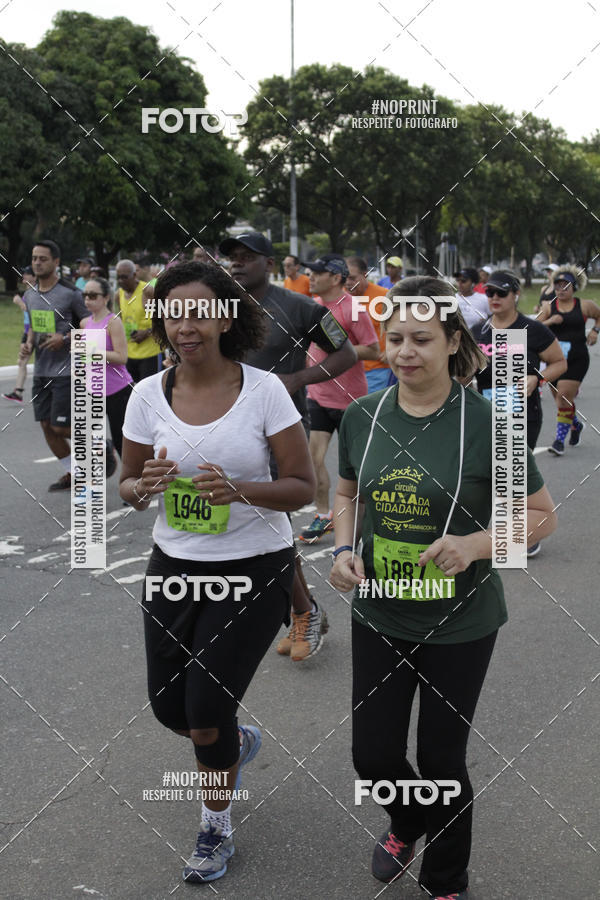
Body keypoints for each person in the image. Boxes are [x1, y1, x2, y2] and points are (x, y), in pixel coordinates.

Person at [329, 276, 558, 899]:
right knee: (372, 758)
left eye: (422, 339)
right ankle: (408, 819)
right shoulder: (362, 417)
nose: (406, 351)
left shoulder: (489, 422)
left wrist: (475, 544)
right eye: (396, 338)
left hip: (461, 621)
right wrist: (345, 547)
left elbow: (541, 516)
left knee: (440, 759)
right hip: (378, 612)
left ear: (453, 340)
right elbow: (347, 493)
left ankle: (446, 880)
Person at [119, 260, 315, 883]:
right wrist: (139, 487)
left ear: (226, 316)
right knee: (169, 709)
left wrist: (241, 489)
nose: (186, 324)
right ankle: (236, 743)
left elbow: (302, 489)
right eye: (173, 312)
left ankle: (215, 827)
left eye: (200, 311)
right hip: (174, 564)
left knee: (204, 710)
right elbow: (124, 483)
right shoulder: (148, 394)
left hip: (254, 569)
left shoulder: (263, 391)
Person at [219, 230, 356, 661]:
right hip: (222, 430)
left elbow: (346, 354)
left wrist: (297, 379)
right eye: (231, 257)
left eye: (247, 256)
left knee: (270, 525)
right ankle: (301, 610)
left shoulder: (299, 307)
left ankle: (304, 612)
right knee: (245, 527)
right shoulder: (216, 305)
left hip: (279, 432)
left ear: (270, 263)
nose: (237, 263)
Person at [470, 270, 567, 556]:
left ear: (516, 295)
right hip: (487, 413)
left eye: (501, 292)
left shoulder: (533, 329)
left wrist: (537, 378)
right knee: (499, 475)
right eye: (490, 293)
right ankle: (515, 529)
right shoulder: (478, 330)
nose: (494, 298)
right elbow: (465, 369)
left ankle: (526, 532)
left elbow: (559, 363)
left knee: (516, 474)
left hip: (524, 413)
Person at [299, 254, 379, 542]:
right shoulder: (312, 307)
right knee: (314, 457)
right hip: (318, 396)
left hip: (351, 400)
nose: (311, 277)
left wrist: (339, 356)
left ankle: (364, 517)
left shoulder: (353, 309)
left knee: (357, 465)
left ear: (335, 278)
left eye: (317, 273)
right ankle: (323, 515)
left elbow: (373, 349)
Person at [18, 240, 106, 492]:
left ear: (56, 262)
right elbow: (34, 326)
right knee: (46, 426)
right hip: (42, 369)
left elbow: (94, 329)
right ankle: (74, 472)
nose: (37, 263)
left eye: (43, 259)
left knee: (59, 425)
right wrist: (27, 344)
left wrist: (65, 338)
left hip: (68, 370)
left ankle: (99, 444)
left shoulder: (71, 294)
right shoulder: (30, 294)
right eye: (34, 258)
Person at [537, 265, 600, 455]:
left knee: (563, 398)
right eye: (558, 285)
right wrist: (550, 321)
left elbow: (599, 316)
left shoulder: (585, 305)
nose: (561, 289)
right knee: (562, 401)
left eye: (566, 285)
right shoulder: (549, 306)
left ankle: (558, 441)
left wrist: (595, 331)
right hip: (554, 360)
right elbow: (533, 326)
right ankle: (576, 425)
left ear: (574, 287)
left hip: (577, 358)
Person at [80, 276, 133, 461]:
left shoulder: (113, 322)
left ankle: (133, 482)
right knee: (89, 438)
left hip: (117, 390)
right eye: (85, 295)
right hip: (93, 389)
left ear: (106, 298)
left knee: (122, 440)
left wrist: (94, 351)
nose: (87, 299)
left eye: (93, 295)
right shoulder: (84, 323)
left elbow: (122, 357)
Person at [345, 256, 395, 392]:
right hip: (344, 370)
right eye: (344, 278)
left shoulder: (384, 297)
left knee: (368, 411)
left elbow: (401, 327)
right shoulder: (339, 298)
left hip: (376, 369)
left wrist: (391, 350)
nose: (348, 283)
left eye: (352, 278)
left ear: (365, 275)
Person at [115, 259, 162, 382]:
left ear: (134, 275)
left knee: (149, 395)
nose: (121, 281)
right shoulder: (118, 295)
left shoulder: (147, 291)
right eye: (118, 277)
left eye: (124, 277)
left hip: (150, 353)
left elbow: (164, 318)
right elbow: (122, 320)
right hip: (130, 354)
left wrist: (147, 332)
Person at [3, 266, 36, 403]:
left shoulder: (37, 292)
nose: (23, 276)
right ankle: (18, 392)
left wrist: (20, 303)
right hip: (27, 330)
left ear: (34, 277)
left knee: (23, 361)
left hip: (35, 331)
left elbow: (33, 312)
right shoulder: (28, 292)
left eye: (27, 274)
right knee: (21, 361)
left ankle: (19, 391)